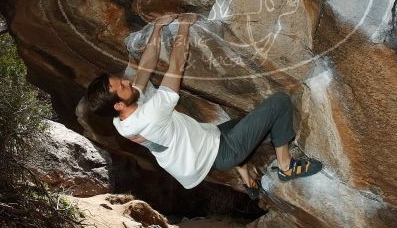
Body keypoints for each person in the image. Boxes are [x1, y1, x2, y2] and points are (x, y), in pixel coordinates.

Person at [84, 13, 321, 199]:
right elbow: (176, 65)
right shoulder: (151, 114)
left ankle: (247, 177)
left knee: (250, 123)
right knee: (279, 103)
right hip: (220, 151)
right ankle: (286, 167)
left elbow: (146, 67)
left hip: (203, 146)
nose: (127, 82)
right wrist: (184, 26)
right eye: (122, 86)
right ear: (117, 105)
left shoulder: (120, 121)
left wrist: (158, 27)